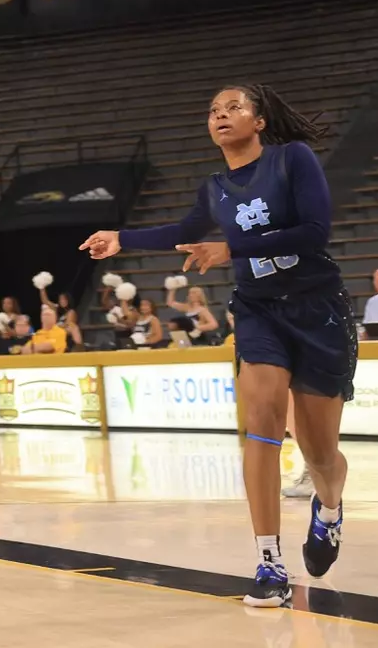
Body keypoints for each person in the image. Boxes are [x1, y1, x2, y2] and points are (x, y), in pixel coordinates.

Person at [82, 83, 351, 608]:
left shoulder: (292, 159)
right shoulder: (215, 187)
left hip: (317, 309)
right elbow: (185, 230)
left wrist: (233, 248)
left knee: (321, 453)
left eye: (234, 108)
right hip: (258, 311)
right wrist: (123, 238)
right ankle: (269, 561)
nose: (221, 116)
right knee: (264, 422)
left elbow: (315, 232)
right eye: (213, 110)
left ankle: (331, 508)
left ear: (259, 120)